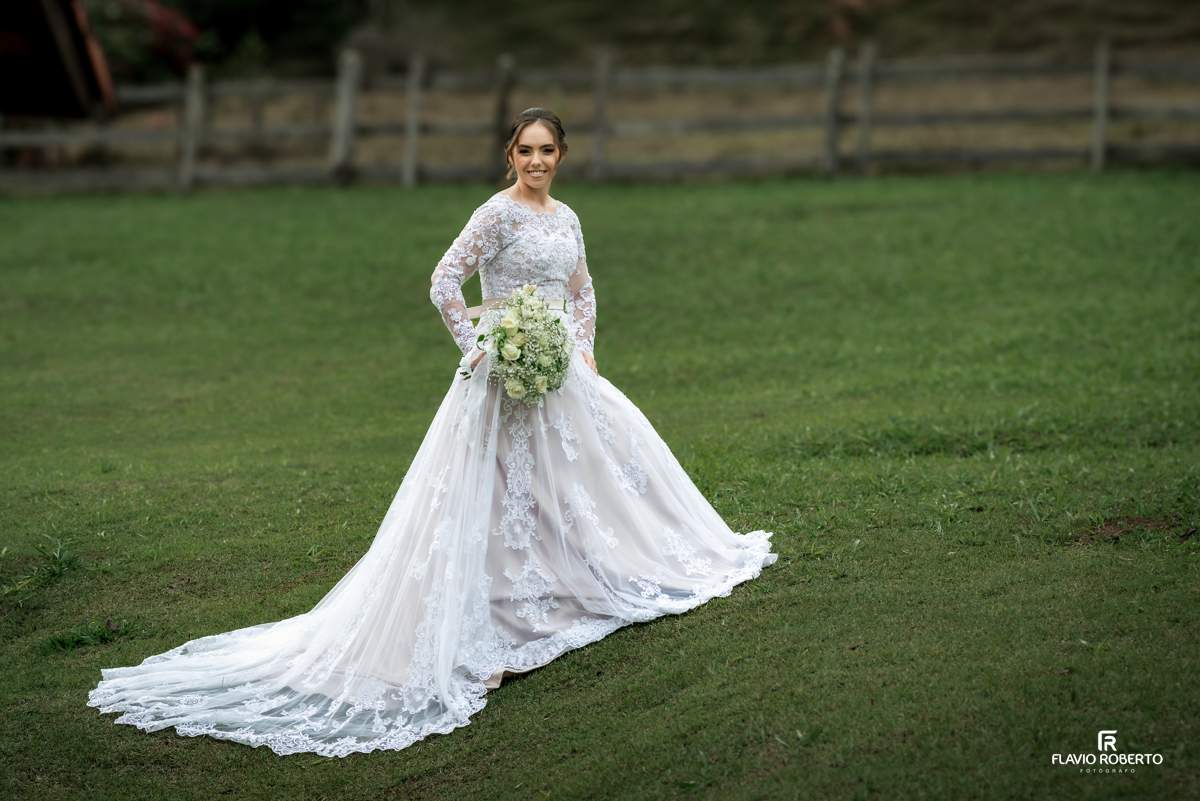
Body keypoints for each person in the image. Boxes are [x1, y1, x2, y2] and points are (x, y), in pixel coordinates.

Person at [88, 108, 777, 757]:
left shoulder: (567, 216)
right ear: (511, 154)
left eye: (547, 151)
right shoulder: (495, 214)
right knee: (500, 485)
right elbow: (445, 280)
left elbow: (582, 287)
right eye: (525, 150)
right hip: (505, 367)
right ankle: (495, 617)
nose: (536, 160)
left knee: (576, 478)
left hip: (560, 367)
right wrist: (481, 346)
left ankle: (574, 581)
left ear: (561, 156)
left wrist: (585, 350)